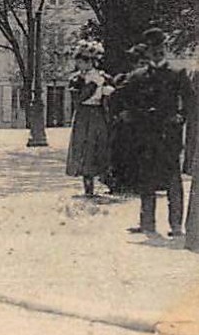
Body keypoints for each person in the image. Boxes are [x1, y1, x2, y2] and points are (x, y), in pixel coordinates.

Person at [111, 28, 192, 238]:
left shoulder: (177, 74)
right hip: (145, 133)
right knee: (146, 177)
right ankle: (147, 223)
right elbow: (117, 97)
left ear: (164, 48)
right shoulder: (137, 77)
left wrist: (181, 115)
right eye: (153, 49)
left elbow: (192, 102)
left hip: (168, 134)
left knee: (173, 178)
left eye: (161, 48)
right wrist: (124, 114)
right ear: (147, 52)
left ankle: (176, 225)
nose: (158, 52)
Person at [66, 39, 114, 197]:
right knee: (84, 148)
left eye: (81, 62)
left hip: (99, 114)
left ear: (91, 62)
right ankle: (88, 187)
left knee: (100, 146)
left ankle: (107, 180)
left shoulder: (103, 76)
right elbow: (78, 99)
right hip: (83, 115)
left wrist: (108, 93)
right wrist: (93, 85)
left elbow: (113, 95)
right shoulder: (76, 79)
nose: (79, 65)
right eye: (78, 62)